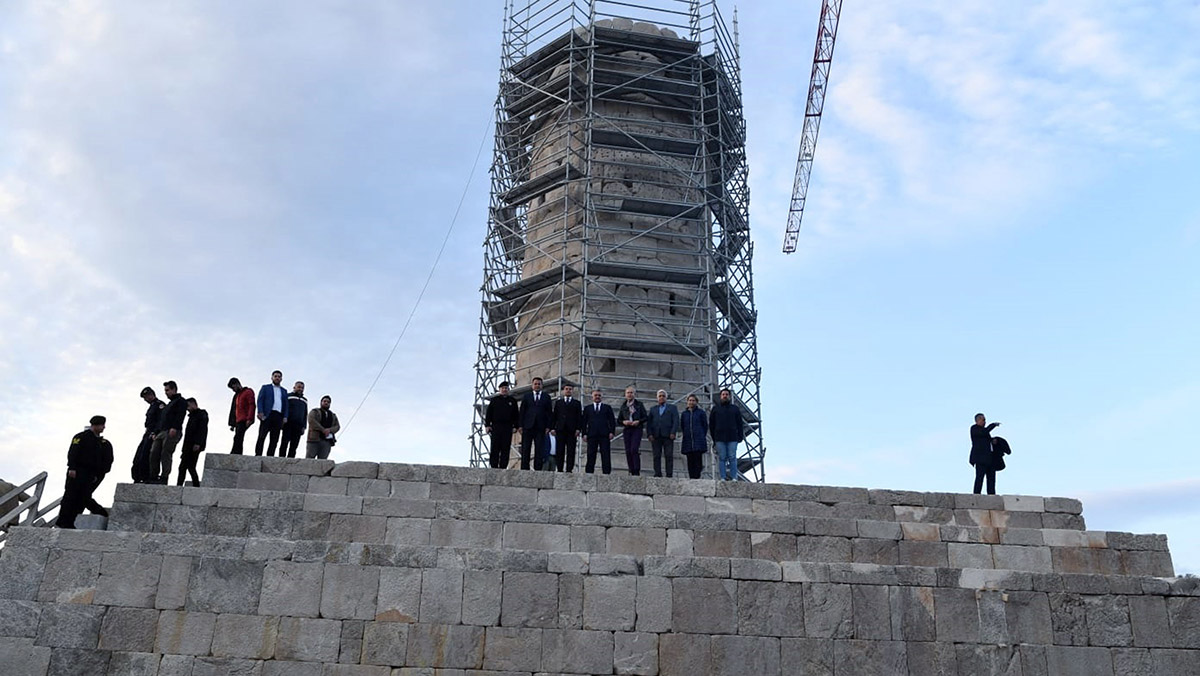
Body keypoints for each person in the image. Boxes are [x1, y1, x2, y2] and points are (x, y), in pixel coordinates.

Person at [57, 416, 113, 529]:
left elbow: (105, 460)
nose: (103, 427)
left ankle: (70, 521)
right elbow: (73, 452)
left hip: (91, 474)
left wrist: (99, 474)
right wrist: (72, 467)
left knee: (83, 497)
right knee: (70, 496)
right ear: (95, 425)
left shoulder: (102, 442)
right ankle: (62, 521)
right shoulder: (81, 437)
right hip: (78, 471)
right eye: (101, 425)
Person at [149, 381, 187, 484]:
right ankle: (153, 476)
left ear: (174, 389)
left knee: (166, 453)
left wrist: (174, 427)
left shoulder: (181, 401)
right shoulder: (168, 405)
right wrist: (155, 432)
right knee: (154, 452)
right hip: (161, 431)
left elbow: (180, 415)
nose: (166, 392)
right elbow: (162, 420)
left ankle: (164, 477)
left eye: (167, 390)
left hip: (172, 431)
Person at [709, 388, 744, 481]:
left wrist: (740, 436)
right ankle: (723, 477)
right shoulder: (715, 409)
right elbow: (711, 424)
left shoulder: (735, 409)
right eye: (723, 394)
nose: (725, 396)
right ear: (720, 396)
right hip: (719, 437)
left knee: (732, 457)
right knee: (722, 458)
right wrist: (714, 438)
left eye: (726, 394)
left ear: (729, 396)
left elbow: (740, 423)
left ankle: (734, 477)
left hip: (732, 437)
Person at [518, 377, 553, 470]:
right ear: (532, 385)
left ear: (542, 385)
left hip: (541, 427)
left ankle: (538, 469)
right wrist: (520, 425)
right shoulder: (527, 396)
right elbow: (522, 411)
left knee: (539, 449)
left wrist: (548, 426)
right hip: (528, 426)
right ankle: (524, 468)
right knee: (526, 448)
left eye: (539, 384)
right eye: (535, 384)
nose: (537, 385)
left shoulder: (546, 397)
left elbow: (549, 413)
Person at [131, 386, 165, 483]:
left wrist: (155, 432)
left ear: (151, 395)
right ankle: (137, 477)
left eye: (146, 397)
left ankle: (146, 476)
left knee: (147, 455)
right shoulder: (152, 406)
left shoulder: (160, 405)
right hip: (147, 432)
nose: (146, 400)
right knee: (139, 456)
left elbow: (161, 421)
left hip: (153, 433)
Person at [484, 381, 520, 469]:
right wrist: (487, 425)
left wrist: (516, 426)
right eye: (503, 388)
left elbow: (516, 415)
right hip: (496, 426)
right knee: (495, 447)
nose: (504, 390)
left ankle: (503, 466)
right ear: (500, 390)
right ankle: (493, 466)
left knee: (505, 447)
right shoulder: (494, 400)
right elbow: (489, 413)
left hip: (507, 427)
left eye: (506, 388)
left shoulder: (512, 401)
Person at [646, 390, 680, 478]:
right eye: (660, 396)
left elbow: (676, 421)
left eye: (663, 396)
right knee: (656, 455)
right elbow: (649, 423)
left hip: (668, 435)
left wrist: (673, 432)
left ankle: (669, 474)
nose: (661, 397)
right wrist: (649, 434)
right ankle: (657, 473)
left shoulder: (672, 408)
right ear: (657, 398)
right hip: (656, 436)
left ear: (666, 397)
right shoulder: (653, 409)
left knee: (668, 455)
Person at [583, 389, 616, 474]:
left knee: (605, 454)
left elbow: (612, 421)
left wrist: (612, 432)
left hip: (604, 435)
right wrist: (584, 434)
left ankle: (606, 473)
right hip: (592, 435)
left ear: (602, 397)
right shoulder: (587, 408)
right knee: (590, 454)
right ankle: (589, 473)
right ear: (592, 397)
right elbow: (584, 422)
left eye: (599, 395)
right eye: (595, 395)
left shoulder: (607, 408)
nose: (597, 397)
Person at [255, 370, 289, 457]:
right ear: (272, 377)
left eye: (279, 376)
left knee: (274, 439)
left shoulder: (284, 391)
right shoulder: (266, 388)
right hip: (267, 414)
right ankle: (258, 454)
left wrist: (285, 416)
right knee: (262, 436)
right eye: (275, 376)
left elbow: (286, 405)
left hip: (278, 416)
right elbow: (260, 400)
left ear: (281, 379)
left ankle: (270, 456)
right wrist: (260, 411)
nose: (277, 378)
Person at [551, 384, 583, 473]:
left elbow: (579, 417)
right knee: (560, 450)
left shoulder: (576, 403)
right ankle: (560, 468)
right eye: (566, 389)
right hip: (560, 430)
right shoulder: (559, 403)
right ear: (563, 391)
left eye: (570, 389)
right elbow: (554, 416)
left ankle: (569, 469)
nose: (568, 390)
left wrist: (578, 429)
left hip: (572, 431)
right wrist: (553, 428)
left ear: (572, 391)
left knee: (571, 451)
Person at [176, 398, 208, 487]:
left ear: (193, 404)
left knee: (190, 466)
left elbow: (202, 430)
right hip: (187, 446)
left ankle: (196, 485)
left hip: (195, 445)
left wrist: (198, 443)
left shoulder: (201, 414)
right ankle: (180, 485)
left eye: (188, 406)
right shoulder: (191, 417)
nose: (187, 409)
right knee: (183, 467)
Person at [617, 386, 647, 476]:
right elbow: (619, 420)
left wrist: (638, 421)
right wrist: (624, 422)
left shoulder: (639, 405)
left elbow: (645, 417)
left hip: (636, 429)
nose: (629, 394)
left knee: (634, 449)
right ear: (625, 394)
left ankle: (636, 470)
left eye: (631, 393)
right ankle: (631, 469)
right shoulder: (623, 406)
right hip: (627, 429)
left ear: (634, 394)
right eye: (628, 393)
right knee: (628, 450)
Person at [970, 413, 1001, 494]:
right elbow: (983, 433)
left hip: (990, 459)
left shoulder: (985, 431)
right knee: (979, 478)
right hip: (980, 459)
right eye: (983, 420)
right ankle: (976, 494)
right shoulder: (974, 428)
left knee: (991, 479)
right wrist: (992, 425)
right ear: (978, 420)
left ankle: (991, 495)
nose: (985, 422)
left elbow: (986, 438)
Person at [680, 394, 708, 479]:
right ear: (687, 402)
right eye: (690, 400)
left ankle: (697, 477)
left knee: (698, 460)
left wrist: (701, 434)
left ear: (696, 402)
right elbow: (682, 426)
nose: (691, 402)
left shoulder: (701, 413)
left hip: (698, 440)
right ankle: (691, 477)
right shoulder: (684, 414)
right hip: (688, 440)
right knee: (690, 460)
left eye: (693, 400)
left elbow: (705, 426)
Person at [227, 378, 256, 455]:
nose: (233, 390)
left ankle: (235, 453)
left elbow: (252, 405)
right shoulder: (236, 396)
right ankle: (237, 452)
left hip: (244, 419)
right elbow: (233, 409)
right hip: (237, 420)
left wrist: (250, 418)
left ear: (237, 384)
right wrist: (232, 424)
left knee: (238, 437)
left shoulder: (248, 392)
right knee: (238, 437)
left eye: (233, 387)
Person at [306, 395, 341, 459]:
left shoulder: (333, 415)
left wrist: (329, 430)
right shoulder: (315, 411)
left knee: (323, 462)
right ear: (321, 402)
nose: (326, 403)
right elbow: (311, 421)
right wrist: (323, 430)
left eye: (328, 402)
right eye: (324, 401)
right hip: (314, 439)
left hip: (327, 441)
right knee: (309, 459)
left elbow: (337, 426)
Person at [281, 381, 308, 458]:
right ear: (294, 387)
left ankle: (291, 460)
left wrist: (304, 426)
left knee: (294, 445)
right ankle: (281, 458)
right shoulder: (288, 396)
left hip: (299, 425)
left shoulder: (304, 400)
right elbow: (284, 408)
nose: (300, 389)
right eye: (299, 387)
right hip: (288, 423)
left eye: (302, 388)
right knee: (284, 443)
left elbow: (305, 413)